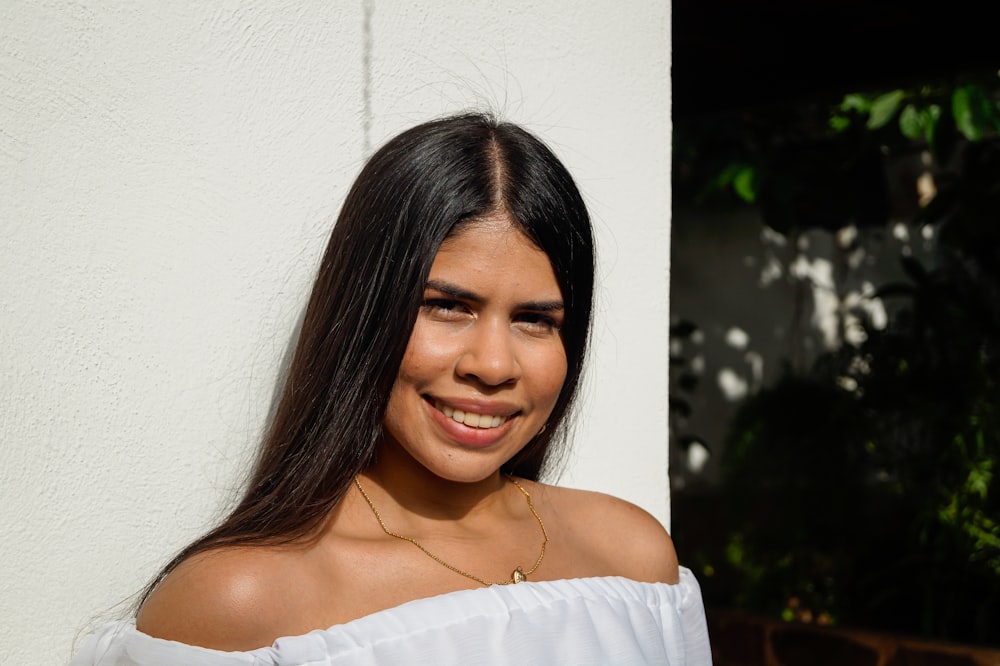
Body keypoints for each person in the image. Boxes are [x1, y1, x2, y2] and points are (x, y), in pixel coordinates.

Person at [71, 112, 712, 665]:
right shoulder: (241, 602)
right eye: (447, 306)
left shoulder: (631, 557)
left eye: (535, 319)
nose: (492, 364)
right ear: (364, 313)